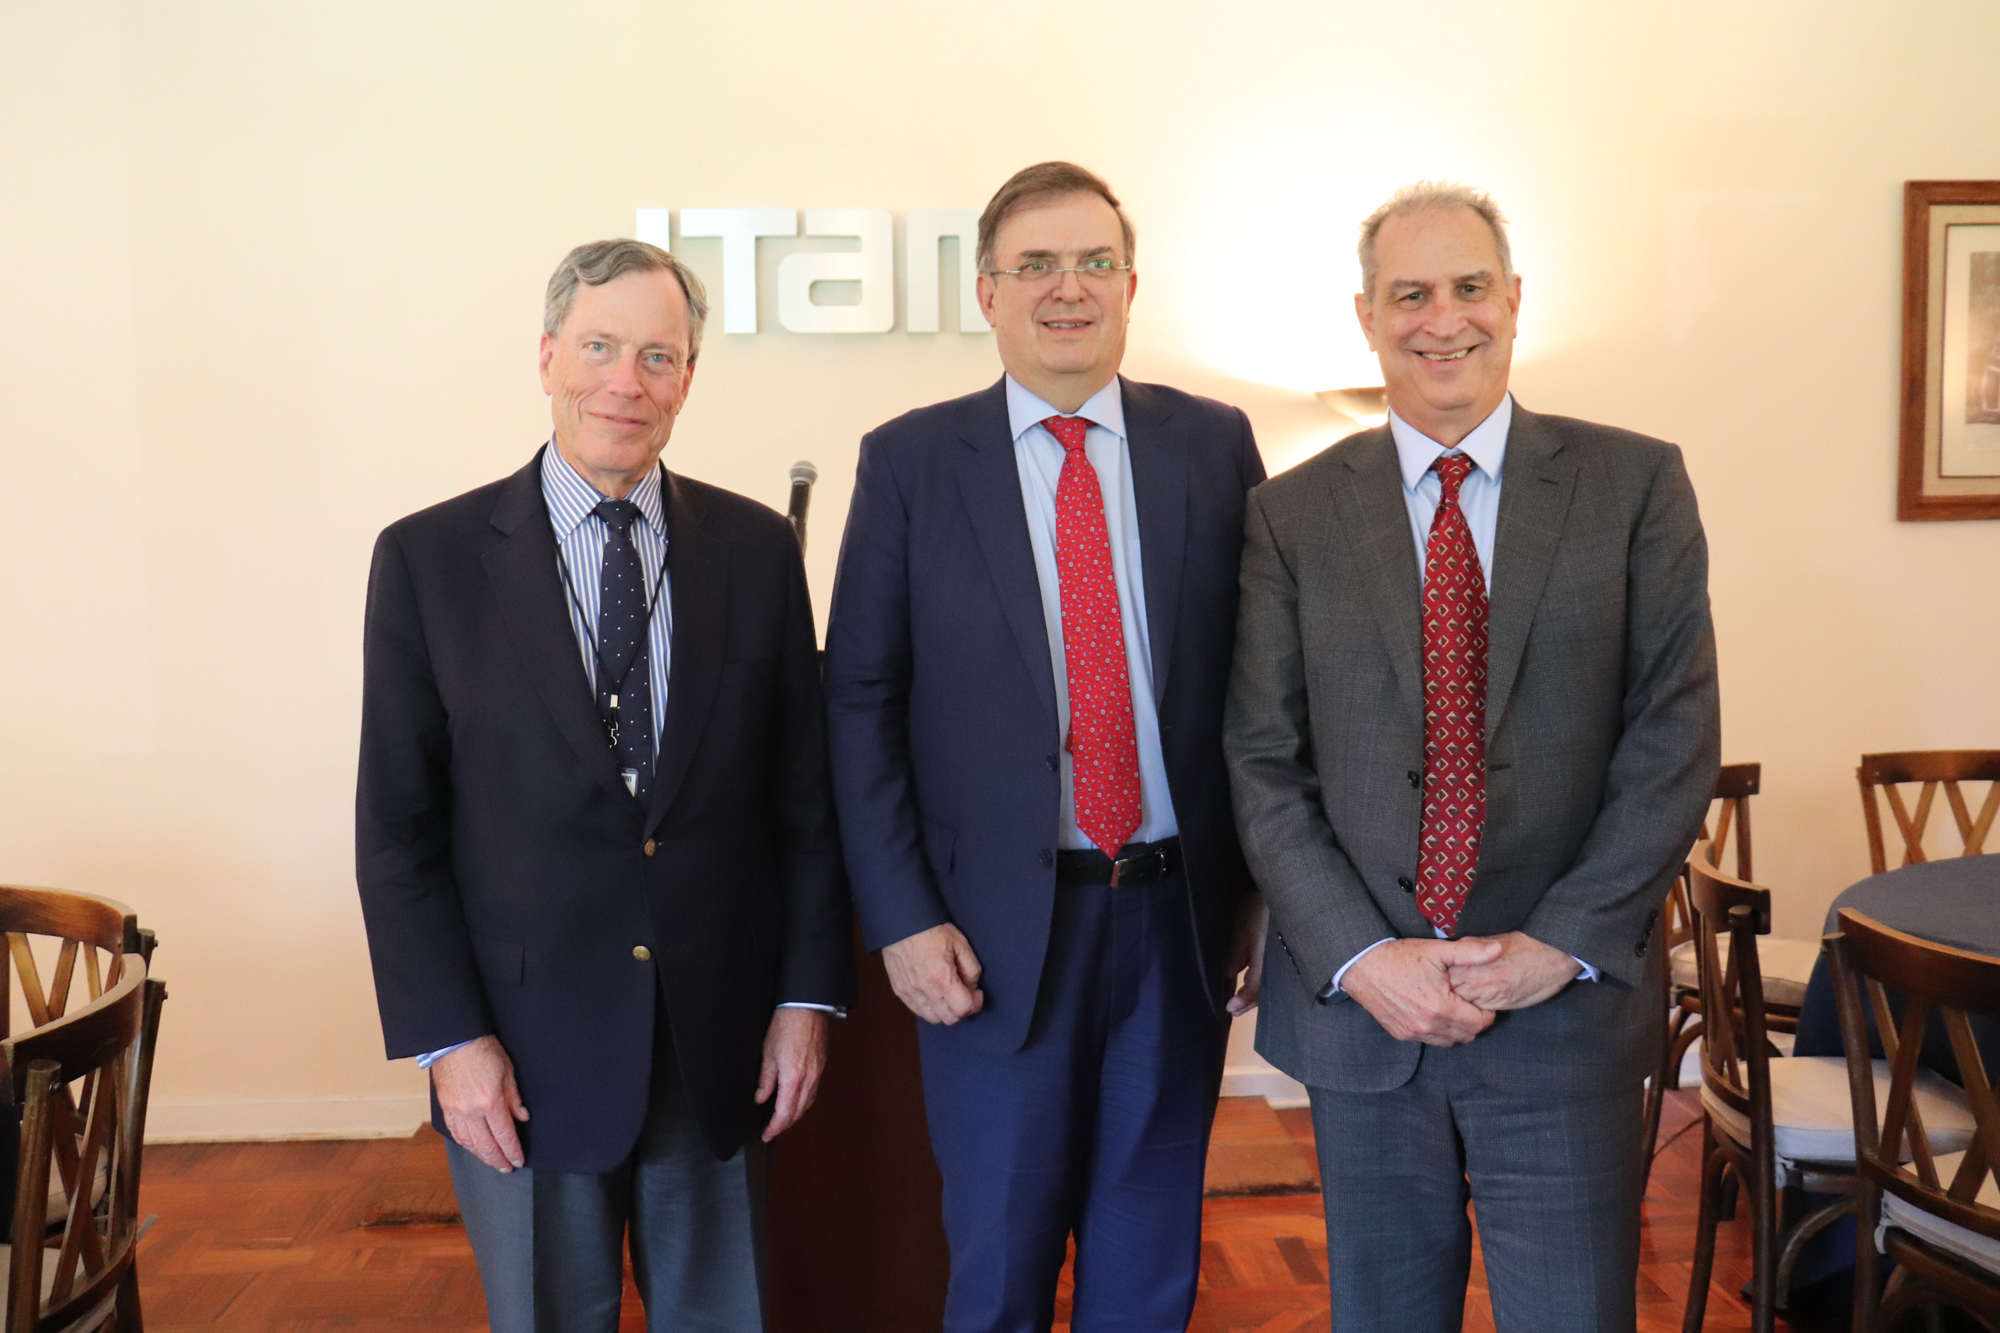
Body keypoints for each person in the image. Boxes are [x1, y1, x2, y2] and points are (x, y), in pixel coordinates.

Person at [1225, 182, 1721, 1333]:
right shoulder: (1289, 514)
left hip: (1561, 1010)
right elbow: (1261, 758)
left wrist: (1558, 944)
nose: (1439, 319)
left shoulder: (1632, 484)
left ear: (1512, 301)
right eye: (1408, 294)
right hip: (1365, 1020)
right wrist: (1362, 955)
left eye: (1465, 288)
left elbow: (1672, 738)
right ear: (1365, 316)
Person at [356, 239, 852, 1333]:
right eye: (598, 347)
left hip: (719, 1046)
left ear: (686, 377)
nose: (626, 381)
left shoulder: (760, 552)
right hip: (519, 1060)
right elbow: (396, 832)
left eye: (658, 355)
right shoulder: (428, 560)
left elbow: (803, 805)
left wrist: (805, 997)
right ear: (545, 358)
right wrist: (450, 1042)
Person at [823, 161, 1267, 1333]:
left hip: (1175, 926)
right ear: (986, 290)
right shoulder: (912, 462)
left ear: (1130, 284)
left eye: (1092, 262)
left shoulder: (1213, 446)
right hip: (988, 941)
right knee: (1000, 1268)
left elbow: (1266, 691)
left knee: (1146, 1264)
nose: (1065, 289)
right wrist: (902, 919)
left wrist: (1265, 897)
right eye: (1035, 266)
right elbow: (858, 700)